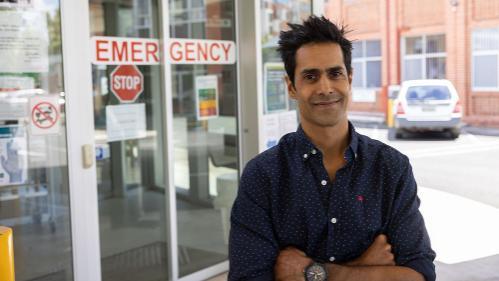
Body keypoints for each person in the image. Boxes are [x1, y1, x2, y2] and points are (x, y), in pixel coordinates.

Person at [228, 15, 436, 281]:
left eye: (335, 74)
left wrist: (316, 273)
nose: (325, 88)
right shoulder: (264, 175)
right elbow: (248, 278)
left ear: (349, 78)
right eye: (311, 76)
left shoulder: (390, 167)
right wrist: (366, 267)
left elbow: (420, 274)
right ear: (291, 87)